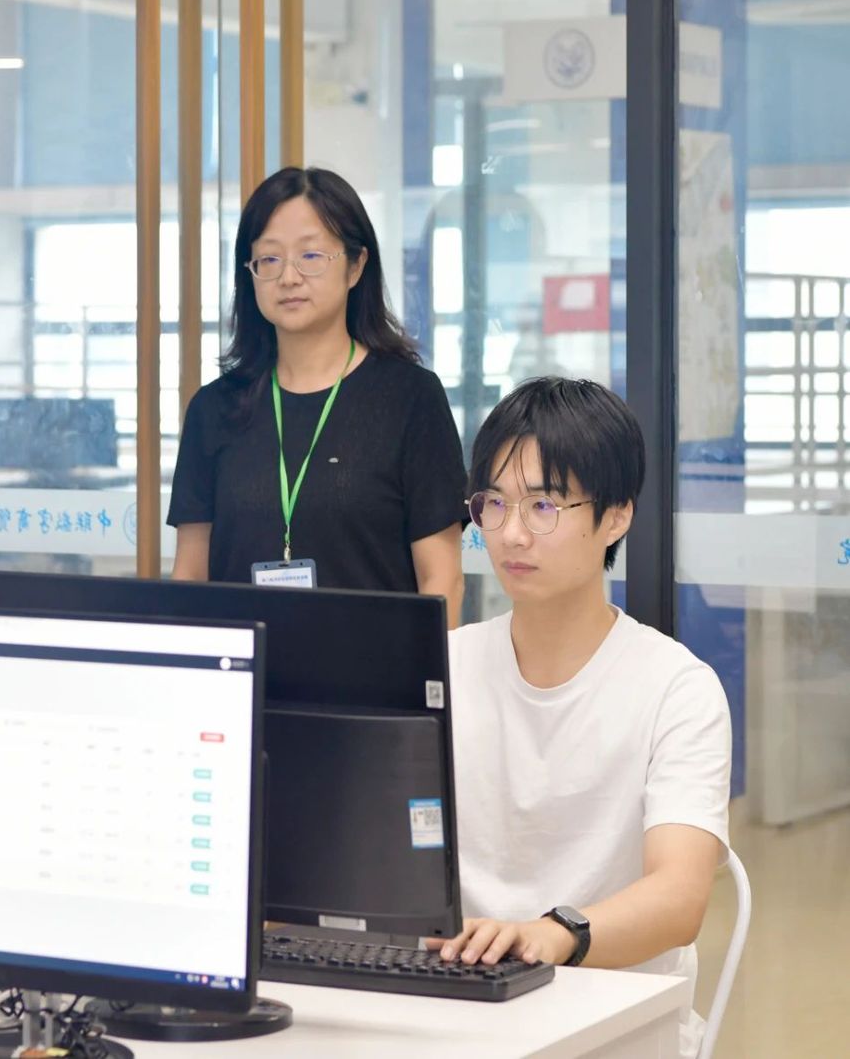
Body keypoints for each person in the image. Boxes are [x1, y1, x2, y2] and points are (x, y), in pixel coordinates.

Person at [433, 377, 731, 1058]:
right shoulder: (443, 667)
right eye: (493, 504)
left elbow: (680, 898)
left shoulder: (677, 689)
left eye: (544, 505)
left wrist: (553, 934)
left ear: (617, 517)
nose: (511, 533)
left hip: (616, 1026)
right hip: (456, 1010)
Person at [169, 166, 467, 624]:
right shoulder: (214, 409)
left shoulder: (411, 398)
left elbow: (442, 580)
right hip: (245, 667)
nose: (288, 277)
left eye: (310, 255)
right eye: (269, 259)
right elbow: (190, 576)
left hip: (373, 668)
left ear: (356, 265)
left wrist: (421, 670)